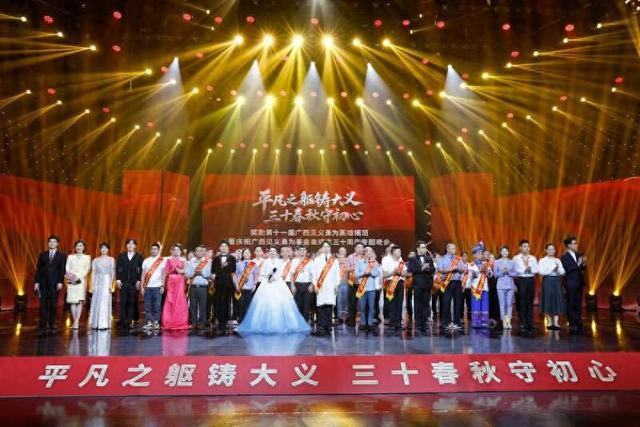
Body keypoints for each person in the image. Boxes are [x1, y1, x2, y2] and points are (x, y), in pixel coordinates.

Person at [236, 247, 310, 335]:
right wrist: (268, 275)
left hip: (278, 283)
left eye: (274, 251)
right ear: (268, 253)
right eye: (271, 251)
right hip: (267, 283)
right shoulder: (265, 261)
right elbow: (261, 272)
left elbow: (281, 272)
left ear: (276, 253)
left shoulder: (280, 261)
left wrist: (274, 278)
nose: (272, 252)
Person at [34, 235, 67, 333]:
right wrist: (36, 282)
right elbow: (38, 269)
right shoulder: (42, 254)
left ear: (57, 244)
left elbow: (62, 270)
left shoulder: (62, 255)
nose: (52, 243)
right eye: (50, 242)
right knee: (42, 304)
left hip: (55, 283)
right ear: (48, 243)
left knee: (53, 304)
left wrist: (60, 282)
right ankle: (42, 323)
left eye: (54, 242)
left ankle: (52, 323)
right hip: (43, 283)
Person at [311, 241, 340, 336]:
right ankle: (322, 326)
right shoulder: (317, 259)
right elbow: (314, 274)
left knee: (329, 306)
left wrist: (336, 285)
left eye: (328, 246)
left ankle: (329, 326)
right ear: (322, 248)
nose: (326, 248)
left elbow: (337, 274)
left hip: (331, 286)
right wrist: (315, 284)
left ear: (330, 248)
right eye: (324, 246)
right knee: (321, 306)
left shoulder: (334, 260)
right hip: (321, 286)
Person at [436, 243, 466, 332]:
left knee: (458, 303)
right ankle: (447, 323)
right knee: (446, 302)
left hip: (457, 282)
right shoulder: (442, 259)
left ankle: (457, 322)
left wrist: (457, 268)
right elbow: (439, 269)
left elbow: (463, 270)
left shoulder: (458, 259)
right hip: (447, 282)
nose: (454, 250)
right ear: (447, 249)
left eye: (454, 248)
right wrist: (449, 269)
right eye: (452, 248)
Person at [115, 238, 143, 330]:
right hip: (123, 282)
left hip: (134, 283)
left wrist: (139, 280)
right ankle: (122, 321)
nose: (130, 245)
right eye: (128, 244)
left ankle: (129, 321)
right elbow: (118, 268)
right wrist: (118, 279)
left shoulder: (139, 256)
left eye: (132, 244)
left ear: (135, 246)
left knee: (132, 302)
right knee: (123, 302)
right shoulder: (121, 255)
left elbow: (141, 270)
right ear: (126, 245)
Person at [560, 236, 587, 333]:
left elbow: (582, 269)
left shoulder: (578, 254)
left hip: (579, 282)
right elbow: (567, 269)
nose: (576, 245)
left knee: (578, 303)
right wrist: (578, 264)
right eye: (574, 243)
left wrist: (583, 264)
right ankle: (572, 322)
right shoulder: (564, 256)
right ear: (569, 245)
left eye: (576, 243)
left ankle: (578, 320)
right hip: (570, 283)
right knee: (570, 303)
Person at [407, 241, 435, 331]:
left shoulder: (429, 258)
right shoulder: (413, 259)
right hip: (417, 284)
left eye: (425, 247)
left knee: (426, 304)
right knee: (418, 304)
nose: (425, 249)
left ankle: (425, 321)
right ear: (418, 248)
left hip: (427, 284)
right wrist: (422, 268)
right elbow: (411, 269)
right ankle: (418, 322)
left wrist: (428, 268)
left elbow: (433, 269)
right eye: (423, 247)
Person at [513, 239, 538, 334]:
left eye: (528, 246)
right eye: (524, 246)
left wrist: (531, 269)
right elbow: (515, 270)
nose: (527, 248)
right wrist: (524, 269)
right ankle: (522, 322)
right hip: (521, 280)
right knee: (522, 301)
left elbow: (536, 269)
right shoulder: (516, 258)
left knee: (530, 301)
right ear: (520, 248)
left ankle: (530, 322)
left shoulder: (533, 258)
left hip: (531, 280)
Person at [211, 240, 237, 333]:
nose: (223, 248)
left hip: (228, 284)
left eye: (225, 246)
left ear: (228, 248)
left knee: (227, 302)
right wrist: (216, 274)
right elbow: (213, 270)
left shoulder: (232, 258)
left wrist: (221, 271)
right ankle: (218, 320)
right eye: (222, 246)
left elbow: (233, 269)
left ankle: (225, 322)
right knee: (218, 302)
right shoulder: (215, 258)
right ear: (219, 247)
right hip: (218, 283)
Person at [161, 244, 189, 330]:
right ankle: (169, 321)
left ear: (180, 252)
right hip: (171, 281)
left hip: (179, 281)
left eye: (178, 250)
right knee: (170, 300)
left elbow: (185, 270)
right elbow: (166, 272)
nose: (176, 251)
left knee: (179, 299)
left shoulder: (183, 259)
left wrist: (179, 270)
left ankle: (179, 321)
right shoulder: (169, 260)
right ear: (172, 251)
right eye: (175, 250)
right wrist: (172, 270)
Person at [88, 242, 115, 330]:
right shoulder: (95, 260)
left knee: (105, 301)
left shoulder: (111, 260)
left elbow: (112, 273)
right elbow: (93, 273)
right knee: (96, 300)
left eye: (106, 248)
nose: (104, 249)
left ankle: (103, 323)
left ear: (108, 250)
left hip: (107, 281)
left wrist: (111, 284)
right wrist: (92, 285)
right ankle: (95, 323)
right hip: (97, 281)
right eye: (102, 248)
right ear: (100, 249)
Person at [539, 243, 566, 331]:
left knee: (556, 299)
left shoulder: (557, 260)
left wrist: (558, 271)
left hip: (556, 281)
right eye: (550, 249)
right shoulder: (543, 260)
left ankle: (556, 322)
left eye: (553, 249)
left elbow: (563, 271)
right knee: (547, 299)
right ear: (546, 250)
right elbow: (541, 271)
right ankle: (549, 321)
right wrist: (551, 270)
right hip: (547, 280)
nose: (552, 251)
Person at [65, 240, 91, 329]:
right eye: (77, 246)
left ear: (84, 247)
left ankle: (76, 322)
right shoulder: (70, 257)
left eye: (80, 246)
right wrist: (72, 277)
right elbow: (67, 268)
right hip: (71, 280)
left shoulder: (87, 257)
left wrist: (78, 277)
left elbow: (87, 269)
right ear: (75, 247)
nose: (78, 247)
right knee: (73, 301)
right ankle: (75, 321)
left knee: (79, 301)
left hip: (81, 281)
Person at [186, 244, 213, 329]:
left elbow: (209, 274)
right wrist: (194, 273)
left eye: (201, 251)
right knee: (193, 306)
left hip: (203, 287)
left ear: (203, 252)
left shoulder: (207, 261)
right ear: (194, 252)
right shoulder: (191, 262)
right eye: (197, 251)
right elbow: (187, 274)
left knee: (203, 306)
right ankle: (194, 322)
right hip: (193, 286)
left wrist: (202, 273)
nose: (199, 252)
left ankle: (202, 323)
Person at [140, 242, 165, 331]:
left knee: (157, 306)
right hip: (147, 287)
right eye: (152, 249)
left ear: (158, 250)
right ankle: (148, 322)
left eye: (155, 249)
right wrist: (142, 287)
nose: (153, 250)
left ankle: (156, 322)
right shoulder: (146, 261)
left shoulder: (161, 261)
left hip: (158, 287)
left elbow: (163, 274)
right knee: (147, 306)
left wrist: (162, 286)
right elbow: (143, 275)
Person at [467, 243, 493, 328]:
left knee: (485, 305)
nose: (480, 255)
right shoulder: (470, 264)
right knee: (476, 305)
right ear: (474, 255)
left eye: (481, 253)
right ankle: (476, 322)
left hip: (484, 287)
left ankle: (484, 322)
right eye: (478, 253)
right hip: (475, 288)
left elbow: (490, 275)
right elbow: (469, 278)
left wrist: (487, 271)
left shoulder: (485, 263)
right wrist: (475, 274)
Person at [355, 246, 381, 332]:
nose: (370, 253)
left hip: (371, 288)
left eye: (371, 251)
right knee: (362, 307)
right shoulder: (359, 262)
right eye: (369, 251)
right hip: (362, 288)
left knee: (371, 307)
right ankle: (363, 323)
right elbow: (356, 274)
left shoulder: (374, 262)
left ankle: (370, 324)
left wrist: (370, 273)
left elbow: (377, 273)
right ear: (365, 253)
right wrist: (364, 273)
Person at [381, 245, 407, 331]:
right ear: (393, 252)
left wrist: (403, 273)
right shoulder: (385, 259)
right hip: (391, 282)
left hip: (400, 282)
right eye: (398, 252)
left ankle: (398, 322)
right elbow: (384, 274)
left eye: (400, 252)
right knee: (391, 303)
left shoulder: (400, 260)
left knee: (399, 303)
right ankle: (392, 323)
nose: (400, 253)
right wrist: (393, 272)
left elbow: (405, 272)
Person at [493, 246, 517, 329]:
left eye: (506, 251)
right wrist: (502, 272)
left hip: (510, 285)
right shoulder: (496, 262)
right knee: (502, 304)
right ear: (500, 253)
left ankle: (508, 321)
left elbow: (515, 273)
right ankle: (504, 321)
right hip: (500, 285)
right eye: (503, 251)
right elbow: (495, 274)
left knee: (509, 304)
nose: (505, 253)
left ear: (508, 252)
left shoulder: (512, 262)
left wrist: (508, 272)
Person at [234, 248, 258, 323]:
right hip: (241, 287)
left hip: (250, 288)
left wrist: (255, 284)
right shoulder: (238, 264)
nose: (247, 254)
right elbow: (235, 275)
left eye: (248, 253)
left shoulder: (253, 264)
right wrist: (236, 284)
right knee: (241, 306)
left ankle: (248, 322)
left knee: (249, 306)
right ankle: (241, 321)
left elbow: (256, 275)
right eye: (245, 253)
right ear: (243, 255)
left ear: (250, 254)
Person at [290, 246, 314, 321]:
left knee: (307, 306)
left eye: (304, 250)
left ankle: (305, 323)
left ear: (306, 252)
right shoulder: (294, 261)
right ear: (298, 251)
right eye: (300, 250)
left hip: (307, 285)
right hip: (297, 285)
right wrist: (292, 285)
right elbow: (292, 274)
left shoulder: (310, 261)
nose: (302, 251)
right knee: (298, 306)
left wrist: (312, 285)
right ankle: (299, 323)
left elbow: (313, 275)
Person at [344, 242, 365, 326]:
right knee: (352, 302)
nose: (360, 249)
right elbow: (346, 269)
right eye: (358, 247)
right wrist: (355, 267)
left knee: (363, 303)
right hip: (353, 282)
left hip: (363, 283)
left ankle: (364, 321)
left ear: (363, 249)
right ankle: (351, 320)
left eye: (361, 247)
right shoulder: (350, 257)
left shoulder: (366, 257)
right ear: (355, 248)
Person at [336, 247, 351, 324]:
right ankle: (340, 317)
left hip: (346, 284)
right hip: (338, 285)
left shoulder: (347, 265)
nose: (341, 259)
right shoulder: (335, 265)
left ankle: (347, 316)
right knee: (339, 301)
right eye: (340, 257)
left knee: (346, 301)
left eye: (343, 258)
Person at [460, 251, 473, 323]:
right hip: (461, 287)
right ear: (461, 257)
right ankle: (461, 318)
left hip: (469, 287)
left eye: (466, 256)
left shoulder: (470, 265)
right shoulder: (459, 265)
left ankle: (470, 318)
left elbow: (472, 275)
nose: (465, 257)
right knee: (461, 303)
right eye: (464, 256)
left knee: (469, 303)